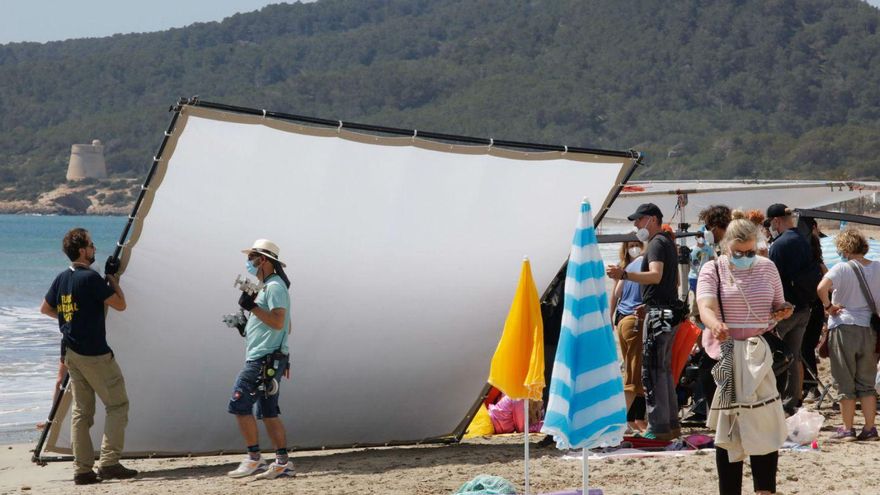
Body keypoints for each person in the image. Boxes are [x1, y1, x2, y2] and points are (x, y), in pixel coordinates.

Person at [697, 219, 792, 495]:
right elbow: (705, 305)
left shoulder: (768, 267)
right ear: (727, 246)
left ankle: (765, 490)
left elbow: (778, 303)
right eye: (739, 253)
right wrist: (714, 323)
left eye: (751, 252)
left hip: (761, 355)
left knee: (764, 426)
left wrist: (783, 310)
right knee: (728, 432)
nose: (746, 258)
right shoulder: (712, 268)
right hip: (723, 356)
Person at [39, 228, 135, 485]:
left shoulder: (62, 278)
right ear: (82, 250)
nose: (94, 249)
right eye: (91, 245)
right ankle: (109, 462)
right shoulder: (90, 279)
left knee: (82, 412)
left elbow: (45, 308)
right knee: (118, 404)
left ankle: (82, 469)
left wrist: (70, 320)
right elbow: (120, 304)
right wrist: (112, 278)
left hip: (71, 352)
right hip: (94, 353)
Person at [607, 203, 682, 441]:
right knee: (663, 371)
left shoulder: (658, 243)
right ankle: (669, 425)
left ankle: (658, 427)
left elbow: (655, 275)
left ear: (651, 219)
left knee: (653, 371)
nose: (636, 225)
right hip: (664, 311)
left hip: (659, 313)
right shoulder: (666, 243)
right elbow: (670, 282)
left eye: (638, 220)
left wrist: (624, 275)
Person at [227, 239, 294, 479]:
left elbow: (278, 321)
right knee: (268, 411)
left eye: (252, 257)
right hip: (270, 357)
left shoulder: (274, 287)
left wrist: (252, 308)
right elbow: (285, 326)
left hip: (262, 360)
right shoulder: (269, 286)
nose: (249, 262)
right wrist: (245, 327)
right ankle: (282, 463)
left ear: (263, 260)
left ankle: (254, 458)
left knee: (239, 403)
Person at [816, 228, 879, 441]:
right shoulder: (878, 267)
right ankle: (870, 428)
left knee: (844, 379)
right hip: (869, 327)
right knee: (867, 381)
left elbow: (821, 287)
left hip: (844, 325)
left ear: (844, 248)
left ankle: (847, 428)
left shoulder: (841, 268)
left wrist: (828, 306)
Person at [766, 204, 822, 415]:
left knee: (773, 355)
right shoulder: (804, 239)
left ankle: (772, 399)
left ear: (776, 221)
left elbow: (772, 280)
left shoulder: (779, 245)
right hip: (805, 307)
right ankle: (793, 402)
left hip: (784, 310)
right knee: (794, 356)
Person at [610, 240, 647, 433]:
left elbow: (616, 293)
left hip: (623, 321)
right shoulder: (646, 267)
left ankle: (635, 420)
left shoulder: (629, 267)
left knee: (635, 373)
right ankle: (620, 421)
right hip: (635, 322)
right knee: (633, 375)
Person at [801, 217, 828, 403]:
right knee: (806, 347)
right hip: (815, 308)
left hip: (812, 307)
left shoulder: (814, 265)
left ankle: (810, 387)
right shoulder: (818, 264)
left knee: (805, 347)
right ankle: (808, 387)